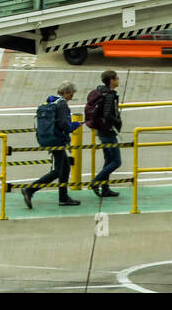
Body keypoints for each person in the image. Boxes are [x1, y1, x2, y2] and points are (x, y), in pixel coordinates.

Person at [22, 81, 82, 208]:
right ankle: (30, 190)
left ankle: (63, 197)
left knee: (65, 168)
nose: (72, 96)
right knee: (58, 170)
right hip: (57, 140)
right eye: (71, 93)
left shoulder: (51, 101)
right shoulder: (62, 105)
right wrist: (75, 125)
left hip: (50, 138)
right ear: (65, 92)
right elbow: (64, 125)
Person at [85, 70, 122, 199]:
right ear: (111, 80)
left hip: (101, 130)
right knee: (116, 161)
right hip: (108, 131)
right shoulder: (109, 95)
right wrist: (118, 121)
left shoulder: (100, 92)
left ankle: (105, 188)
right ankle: (96, 182)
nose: (118, 80)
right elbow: (107, 114)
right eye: (116, 78)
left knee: (108, 160)